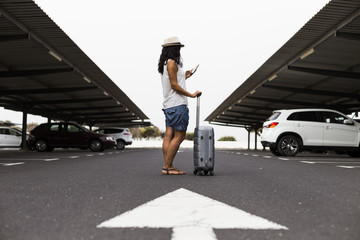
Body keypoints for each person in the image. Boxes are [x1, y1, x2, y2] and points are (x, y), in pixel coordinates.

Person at [158, 36, 201, 175]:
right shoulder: (172, 63)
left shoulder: (165, 64)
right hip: (177, 105)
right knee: (180, 136)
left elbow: (174, 81)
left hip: (169, 105)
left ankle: (169, 166)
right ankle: (166, 167)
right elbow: (175, 85)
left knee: (169, 136)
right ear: (174, 49)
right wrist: (192, 95)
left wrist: (186, 75)